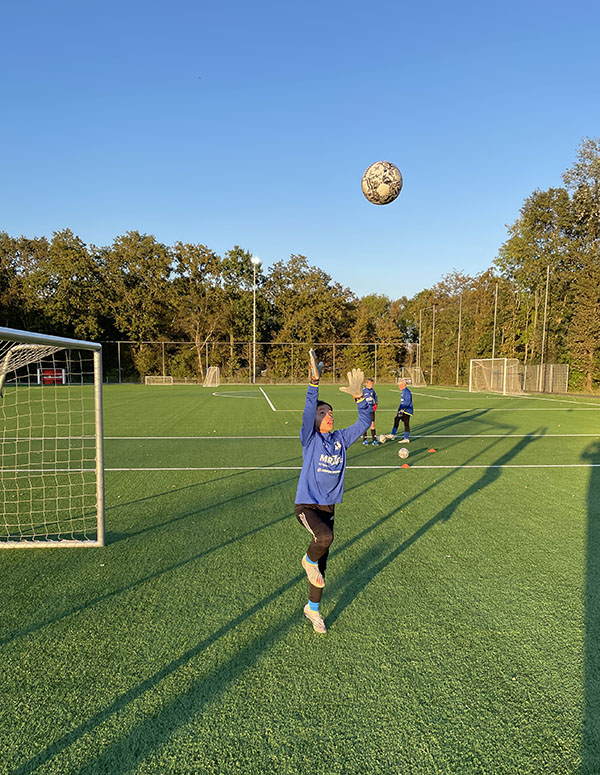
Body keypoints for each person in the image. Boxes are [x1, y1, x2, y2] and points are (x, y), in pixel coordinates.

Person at [295, 350, 371, 633]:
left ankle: (312, 610)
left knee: (320, 572)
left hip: (329, 509)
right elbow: (308, 410)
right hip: (307, 506)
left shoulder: (340, 439)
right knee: (324, 538)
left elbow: (364, 423)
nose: (328, 416)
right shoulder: (310, 439)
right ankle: (307, 559)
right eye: (323, 413)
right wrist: (314, 382)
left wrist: (359, 398)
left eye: (331, 413)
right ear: (315, 420)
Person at [388, 377, 413, 443]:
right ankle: (402, 436)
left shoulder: (407, 391)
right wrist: (399, 409)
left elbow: (407, 401)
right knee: (397, 419)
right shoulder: (403, 391)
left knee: (403, 422)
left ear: (403, 385)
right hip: (403, 410)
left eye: (400, 385)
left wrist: (403, 409)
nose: (399, 386)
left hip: (407, 411)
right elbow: (402, 402)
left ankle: (395, 435)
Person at [361, 377, 379, 445]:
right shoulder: (363, 390)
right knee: (365, 425)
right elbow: (358, 398)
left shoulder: (372, 390)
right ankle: (364, 440)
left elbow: (375, 397)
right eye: (370, 384)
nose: (371, 385)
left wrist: (376, 403)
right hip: (365, 410)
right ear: (367, 383)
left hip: (371, 410)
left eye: (372, 384)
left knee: (372, 425)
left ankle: (374, 440)